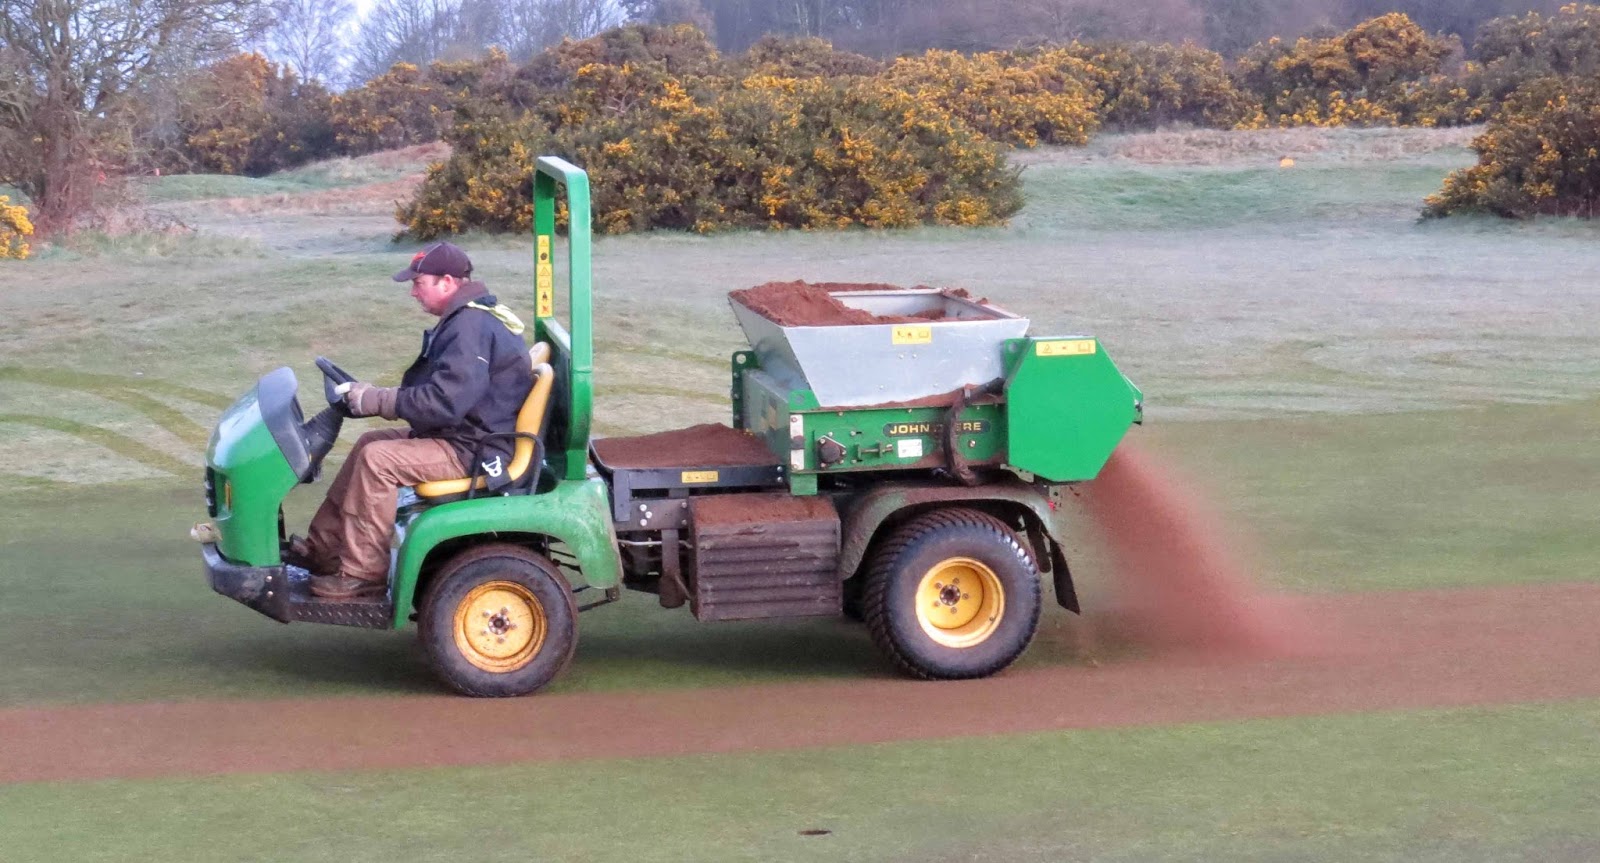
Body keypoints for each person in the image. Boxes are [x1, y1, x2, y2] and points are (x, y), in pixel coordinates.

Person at [290, 241, 534, 599]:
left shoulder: (470, 327)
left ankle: (362, 574)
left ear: (446, 281)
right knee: (369, 444)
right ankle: (322, 550)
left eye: (418, 283)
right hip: (465, 434)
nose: (413, 293)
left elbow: (444, 403)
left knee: (379, 461)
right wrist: (375, 396)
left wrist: (376, 399)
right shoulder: (467, 318)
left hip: (475, 449)